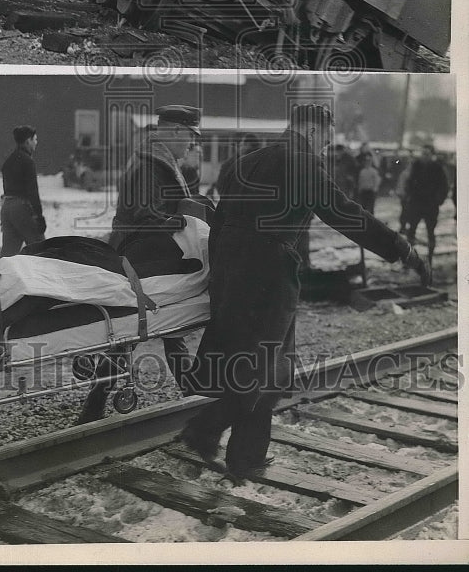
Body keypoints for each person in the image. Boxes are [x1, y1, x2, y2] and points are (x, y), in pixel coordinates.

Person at [179, 104, 431, 482]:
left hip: (235, 276)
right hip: (269, 276)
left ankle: (245, 458)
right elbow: (345, 213)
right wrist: (401, 248)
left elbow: (220, 221)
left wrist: (222, 276)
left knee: (261, 369)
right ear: (314, 133)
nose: (325, 148)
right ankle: (206, 430)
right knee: (268, 371)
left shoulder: (246, 161)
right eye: (326, 141)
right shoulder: (303, 164)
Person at [77, 106, 202, 423]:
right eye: (189, 136)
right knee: (138, 334)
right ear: (174, 132)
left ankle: (192, 400)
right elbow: (145, 216)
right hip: (139, 260)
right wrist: (180, 222)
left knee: (156, 332)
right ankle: (193, 400)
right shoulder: (149, 166)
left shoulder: (156, 161)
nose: (191, 144)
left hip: (145, 258)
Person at [0, 126, 46, 256]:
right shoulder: (28, 161)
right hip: (21, 208)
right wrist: (39, 216)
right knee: (41, 250)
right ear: (27, 141)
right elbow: (33, 191)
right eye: (35, 139)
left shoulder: (8, 161)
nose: (36, 143)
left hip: (6, 208)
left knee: (8, 256)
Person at [404, 143, 449, 269]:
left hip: (431, 205)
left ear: (432, 155)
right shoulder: (416, 165)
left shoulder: (437, 168)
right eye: (423, 154)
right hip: (416, 204)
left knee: (430, 232)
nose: (425, 156)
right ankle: (409, 258)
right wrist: (409, 196)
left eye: (427, 154)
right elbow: (409, 182)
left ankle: (430, 257)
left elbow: (444, 186)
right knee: (411, 230)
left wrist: (438, 200)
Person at [356, 151, 381, 215]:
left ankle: (371, 220)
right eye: (366, 161)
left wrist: (374, 189)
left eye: (369, 161)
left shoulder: (373, 171)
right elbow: (360, 181)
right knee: (363, 206)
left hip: (370, 191)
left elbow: (376, 181)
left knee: (371, 207)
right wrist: (360, 189)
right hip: (363, 191)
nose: (367, 162)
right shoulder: (362, 171)